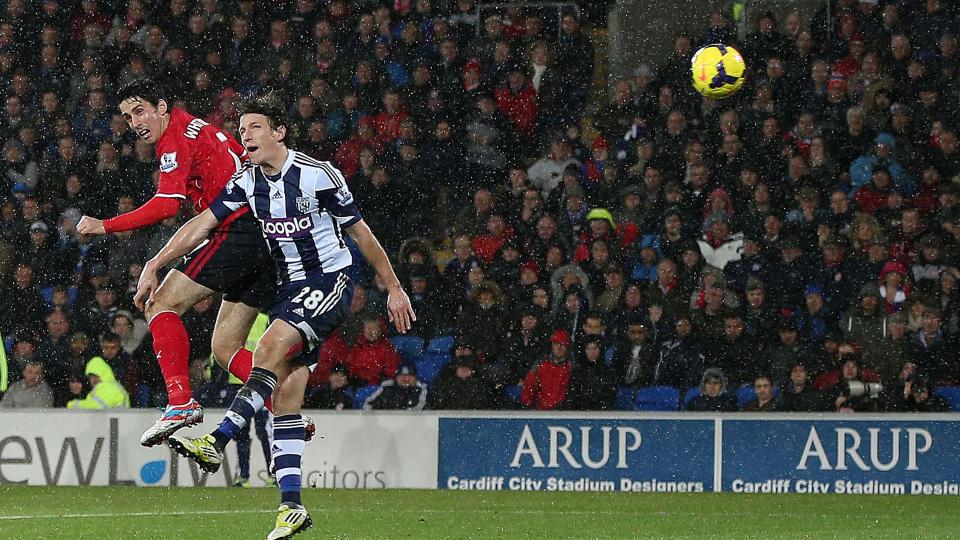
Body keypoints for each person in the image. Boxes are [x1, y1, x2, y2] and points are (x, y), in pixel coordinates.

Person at [137, 90, 414, 539]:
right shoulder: (247, 182)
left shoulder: (318, 176)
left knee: (266, 347)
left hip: (329, 281)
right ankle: (292, 508)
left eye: (255, 127)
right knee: (286, 394)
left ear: (279, 132)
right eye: (242, 128)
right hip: (289, 289)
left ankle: (218, 439)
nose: (244, 135)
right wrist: (156, 262)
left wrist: (394, 288)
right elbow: (202, 224)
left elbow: (361, 233)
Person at [75, 79, 277, 447]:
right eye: (127, 116)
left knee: (160, 304)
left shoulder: (174, 139)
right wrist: (157, 261)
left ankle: (180, 401)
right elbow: (203, 215)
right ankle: (287, 409)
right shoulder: (195, 128)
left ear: (162, 107)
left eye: (140, 111)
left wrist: (104, 226)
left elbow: (167, 205)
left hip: (238, 232)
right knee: (226, 348)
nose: (135, 122)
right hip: (260, 235)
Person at [520, 329, 573, 410]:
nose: (559, 348)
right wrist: (528, 407)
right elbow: (528, 387)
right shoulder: (540, 365)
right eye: (556, 344)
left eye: (562, 345)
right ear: (552, 345)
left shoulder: (572, 368)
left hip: (562, 413)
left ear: (567, 347)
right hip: (540, 412)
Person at [67, 356, 131, 410]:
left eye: (96, 376)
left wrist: (73, 405)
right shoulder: (108, 387)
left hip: (117, 422)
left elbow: (96, 407)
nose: (93, 380)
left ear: (103, 374)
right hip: (116, 422)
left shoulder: (109, 388)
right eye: (91, 377)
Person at [362, 364, 428, 410]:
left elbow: (421, 410)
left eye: (410, 375)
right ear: (396, 377)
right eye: (402, 375)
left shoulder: (421, 390)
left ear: (415, 378)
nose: (406, 379)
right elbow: (367, 405)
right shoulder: (386, 387)